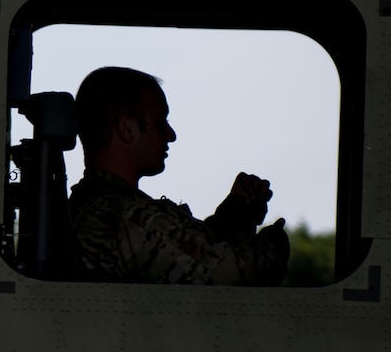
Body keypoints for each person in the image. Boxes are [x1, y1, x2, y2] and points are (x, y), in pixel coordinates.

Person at [68, 66, 290, 286]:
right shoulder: (130, 219)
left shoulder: (91, 209)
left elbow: (187, 254)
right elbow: (240, 272)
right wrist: (275, 240)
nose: (170, 135)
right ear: (127, 129)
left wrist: (234, 217)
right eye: (160, 121)